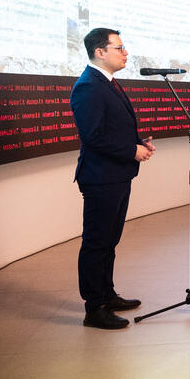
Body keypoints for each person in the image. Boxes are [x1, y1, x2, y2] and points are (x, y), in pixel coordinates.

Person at [70, 28, 154, 330]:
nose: (125, 52)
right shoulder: (88, 86)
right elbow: (93, 137)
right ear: (99, 52)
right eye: (119, 47)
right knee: (96, 243)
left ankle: (107, 294)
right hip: (100, 177)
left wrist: (138, 143)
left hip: (116, 175)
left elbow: (111, 128)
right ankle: (94, 308)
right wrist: (130, 151)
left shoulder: (106, 83)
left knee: (109, 241)